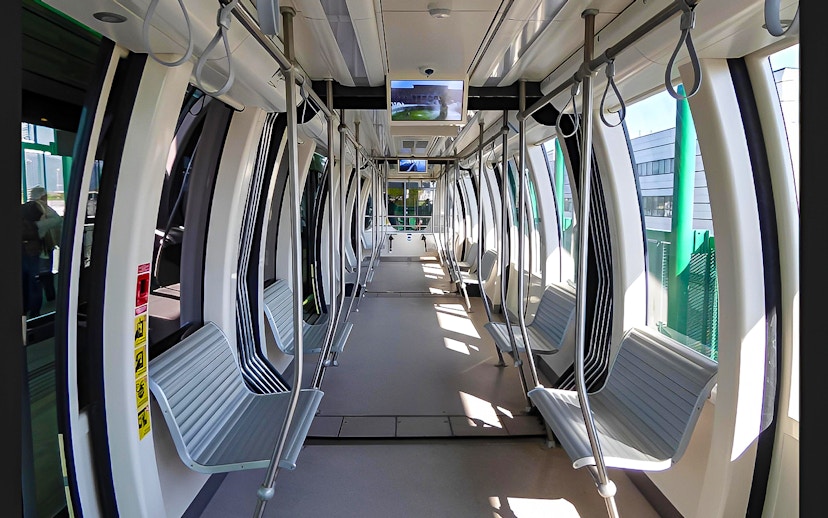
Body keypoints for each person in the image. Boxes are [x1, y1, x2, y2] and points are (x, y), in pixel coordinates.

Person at [29, 186, 63, 305]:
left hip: (30, 247)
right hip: (43, 246)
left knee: (34, 275)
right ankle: (50, 297)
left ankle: (33, 302)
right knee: (45, 272)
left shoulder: (26, 207)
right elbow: (57, 220)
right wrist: (40, 226)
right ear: (42, 196)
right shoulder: (42, 207)